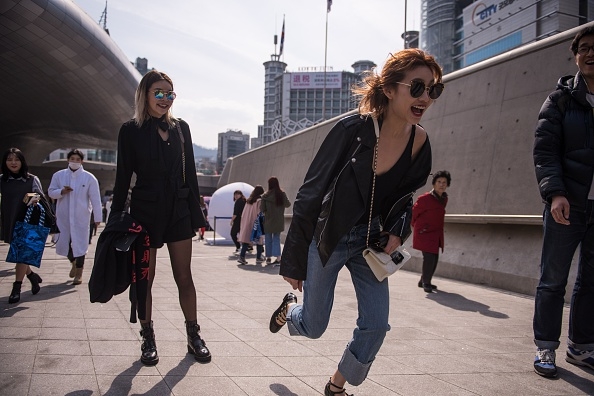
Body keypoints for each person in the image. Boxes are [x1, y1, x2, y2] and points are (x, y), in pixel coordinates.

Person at [269, 48, 440, 395]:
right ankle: (291, 309)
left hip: (370, 243)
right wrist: (294, 259)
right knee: (314, 326)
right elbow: (309, 194)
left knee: (376, 325)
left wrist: (397, 231)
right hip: (329, 237)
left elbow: (406, 198)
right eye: (418, 87)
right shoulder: (352, 130)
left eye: (433, 90)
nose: (425, 97)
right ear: (390, 89)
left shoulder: (420, 143)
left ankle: (337, 385)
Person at [110, 70, 210, 366]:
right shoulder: (130, 130)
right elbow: (122, 177)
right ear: (145, 94)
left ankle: (194, 335)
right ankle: (147, 337)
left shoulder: (182, 128)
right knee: (145, 279)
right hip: (145, 212)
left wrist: (196, 215)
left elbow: (189, 175)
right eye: (159, 93)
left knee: (185, 277)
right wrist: (116, 219)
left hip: (178, 210)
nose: (165, 99)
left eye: (170, 94)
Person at [532, 25, 594, 378]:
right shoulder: (560, 100)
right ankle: (546, 347)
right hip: (566, 204)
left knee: (591, 281)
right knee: (553, 279)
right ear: (575, 55)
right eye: (583, 47)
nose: (590, 53)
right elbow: (545, 150)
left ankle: (582, 347)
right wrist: (555, 193)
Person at [48, 149, 102, 285]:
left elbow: (95, 198)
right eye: (72, 159)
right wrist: (61, 191)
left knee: (80, 243)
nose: (75, 162)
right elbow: (51, 192)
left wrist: (97, 218)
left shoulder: (89, 178)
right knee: (64, 242)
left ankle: (79, 272)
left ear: (82, 161)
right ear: (68, 160)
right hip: (64, 216)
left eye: (78, 159)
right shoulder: (58, 175)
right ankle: (72, 261)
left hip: (81, 217)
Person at [0, 148, 44, 303]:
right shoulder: (2, 180)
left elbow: (41, 197)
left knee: (21, 254)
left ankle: (16, 288)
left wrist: (33, 198)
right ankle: (32, 276)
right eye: (9, 159)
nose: (13, 163)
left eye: (16, 159)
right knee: (20, 255)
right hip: (10, 221)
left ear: (22, 162)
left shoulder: (32, 179)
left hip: (27, 222)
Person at [411, 170, 451, 293]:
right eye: (439, 182)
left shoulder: (444, 199)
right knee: (429, 258)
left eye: (444, 182)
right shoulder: (424, 199)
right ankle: (426, 283)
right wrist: (418, 228)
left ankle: (423, 280)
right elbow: (413, 214)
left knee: (434, 258)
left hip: (436, 233)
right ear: (434, 184)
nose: (441, 184)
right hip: (425, 233)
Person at [261, 177, 291, 265]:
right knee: (277, 238)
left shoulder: (265, 196)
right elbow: (288, 204)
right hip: (279, 220)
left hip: (268, 221)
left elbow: (262, 208)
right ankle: (278, 258)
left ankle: (268, 257)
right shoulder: (281, 194)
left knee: (268, 239)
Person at [237, 185, 265, 265]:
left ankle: (242, 257)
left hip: (247, 222)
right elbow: (260, 213)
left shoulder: (248, 201)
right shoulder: (259, 201)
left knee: (246, 240)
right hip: (256, 223)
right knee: (259, 240)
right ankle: (259, 257)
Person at [230, 189, 246, 253]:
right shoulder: (244, 201)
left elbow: (235, 213)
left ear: (241, 195)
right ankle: (247, 247)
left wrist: (231, 220)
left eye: (237, 194)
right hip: (244, 220)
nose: (236, 196)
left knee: (233, 233)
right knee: (242, 234)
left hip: (238, 220)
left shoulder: (238, 202)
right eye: (235, 194)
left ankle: (238, 247)